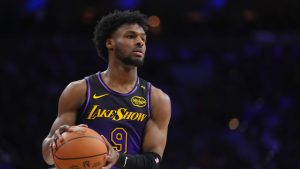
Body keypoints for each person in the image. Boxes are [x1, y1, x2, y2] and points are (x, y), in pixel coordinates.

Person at [42, 10, 171, 169]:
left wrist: (118, 159)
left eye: (143, 38)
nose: (140, 42)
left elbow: (154, 162)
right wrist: (55, 143)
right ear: (110, 43)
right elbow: (49, 158)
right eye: (131, 36)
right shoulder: (79, 90)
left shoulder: (157, 99)